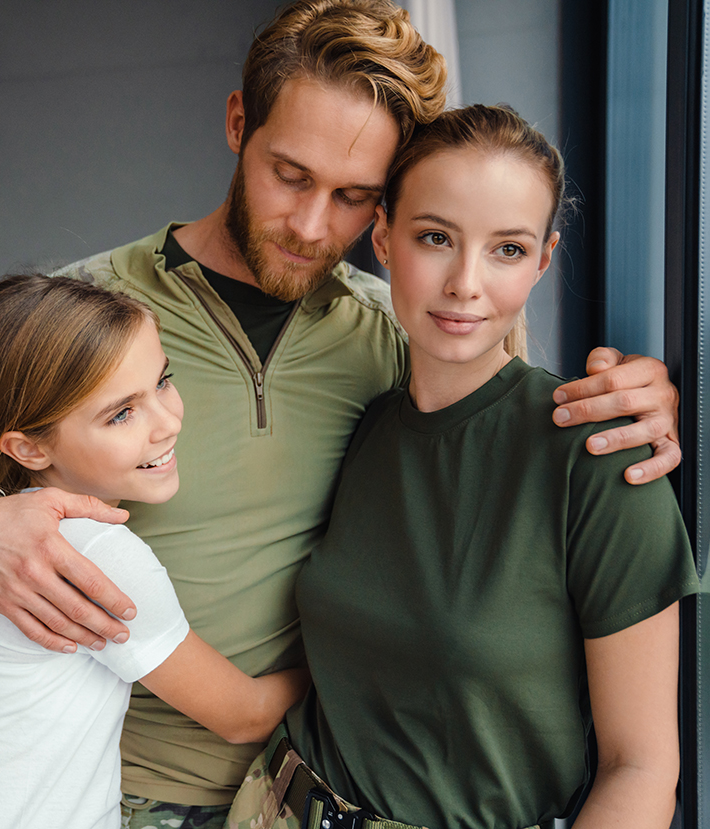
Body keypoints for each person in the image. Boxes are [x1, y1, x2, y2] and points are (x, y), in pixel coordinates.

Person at [0, 1, 683, 826]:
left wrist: (645, 401)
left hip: (310, 789)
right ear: (238, 123)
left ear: (384, 219)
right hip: (111, 795)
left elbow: (507, 446)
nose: (310, 225)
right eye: (290, 175)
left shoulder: (394, 335)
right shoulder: (84, 327)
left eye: (350, 196)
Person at [226, 105, 699, 829]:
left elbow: (639, 769)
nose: (464, 283)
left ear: (542, 260)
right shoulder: (367, 427)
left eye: (506, 249)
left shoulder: (600, 456)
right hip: (272, 805)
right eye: (435, 238)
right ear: (383, 237)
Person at [0, 274, 309, 829]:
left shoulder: (20, 529)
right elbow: (243, 716)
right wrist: (355, 660)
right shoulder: (92, 550)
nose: (167, 422)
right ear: (29, 447)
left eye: (163, 381)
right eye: (122, 413)